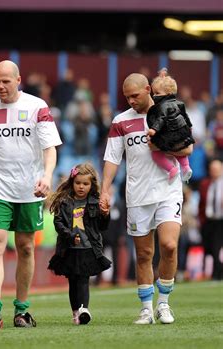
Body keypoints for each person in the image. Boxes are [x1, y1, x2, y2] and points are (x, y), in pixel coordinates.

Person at [0, 60, 62, 328]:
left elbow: (50, 148)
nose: (0, 86)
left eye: (6, 81)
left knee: (26, 246)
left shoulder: (37, 107)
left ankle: (21, 309)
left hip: (29, 189)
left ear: (18, 80)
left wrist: (46, 176)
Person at [100, 73, 193, 325]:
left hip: (168, 190)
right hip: (137, 195)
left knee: (169, 246)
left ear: (148, 89)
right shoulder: (120, 121)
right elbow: (112, 158)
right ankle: (145, 309)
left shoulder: (170, 111)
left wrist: (162, 147)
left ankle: (163, 304)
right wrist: (105, 190)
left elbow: (188, 148)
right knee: (143, 254)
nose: (131, 101)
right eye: (127, 97)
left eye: (135, 95)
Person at [48, 163, 111, 325]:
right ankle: (75, 312)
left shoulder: (95, 202)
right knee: (73, 281)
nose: (81, 187)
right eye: (78, 183)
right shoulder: (65, 202)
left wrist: (105, 214)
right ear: (72, 183)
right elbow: (58, 222)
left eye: (85, 184)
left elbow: (102, 227)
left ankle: (84, 309)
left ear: (92, 185)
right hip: (69, 248)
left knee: (83, 279)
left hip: (88, 248)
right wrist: (69, 236)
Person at [146, 68, 195, 182]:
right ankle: (186, 167)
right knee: (181, 147)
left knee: (155, 155)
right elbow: (185, 115)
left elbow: (161, 119)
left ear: (167, 93)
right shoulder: (179, 103)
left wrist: (154, 129)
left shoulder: (162, 106)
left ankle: (171, 169)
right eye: (154, 93)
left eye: (157, 93)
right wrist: (189, 126)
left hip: (170, 132)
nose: (154, 96)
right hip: (181, 130)